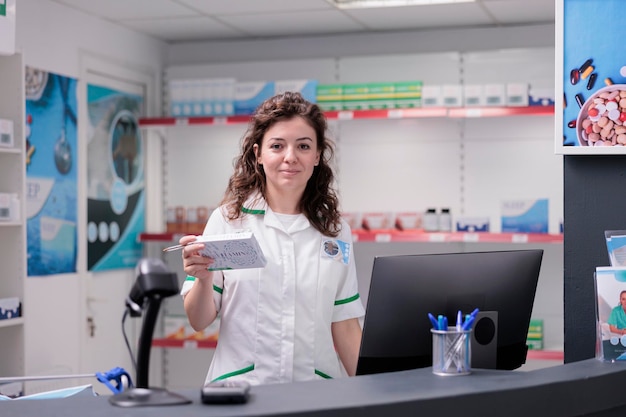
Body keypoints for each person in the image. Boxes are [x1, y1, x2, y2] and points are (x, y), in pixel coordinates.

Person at [179, 91, 365, 386]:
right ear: (258, 154)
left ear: (317, 156)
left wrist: (380, 394)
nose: (290, 157)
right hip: (241, 392)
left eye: (303, 146)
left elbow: (343, 322)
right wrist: (202, 278)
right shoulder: (228, 221)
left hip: (315, 392)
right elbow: (199, 320)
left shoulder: (334, 230)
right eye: (277, 146)